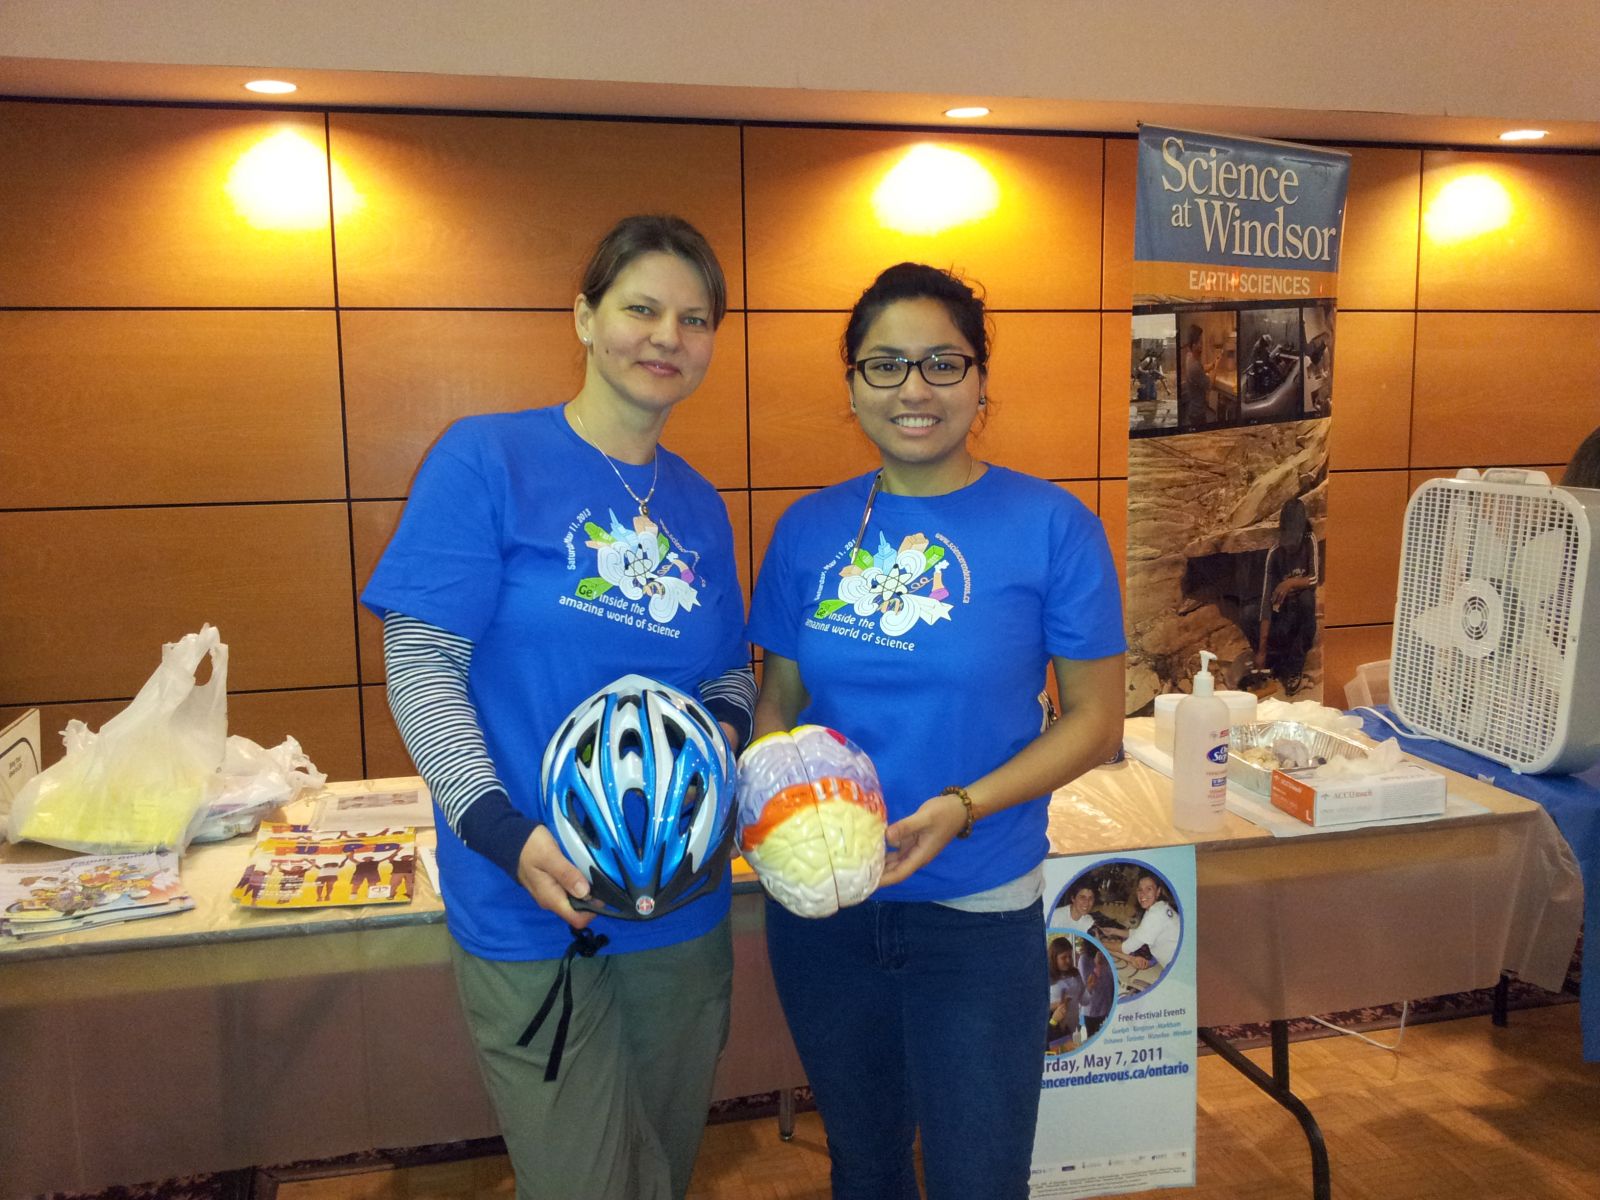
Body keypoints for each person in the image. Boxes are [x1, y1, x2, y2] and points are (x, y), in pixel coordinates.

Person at [361, 215, 755, 1200]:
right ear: (583, 317)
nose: (667, 335)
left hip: (681, 905)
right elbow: (420, 663)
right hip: (529, 899)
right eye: (641, 308)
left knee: (658, 1169)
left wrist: (712, 753)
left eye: (694, 318)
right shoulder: (485, 460)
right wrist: (499, 829)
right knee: (580, 1181)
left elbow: (727, 679)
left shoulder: (700, 506)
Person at [747, 262, 1126, 1200]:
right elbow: (776, 705)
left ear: (980, 379)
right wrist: (775, 809)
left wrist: (964, 806)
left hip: (978, 907)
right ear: (852, 385)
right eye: (885, 366)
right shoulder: (807, 531)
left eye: (941, 363)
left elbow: (1095, 721)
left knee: (980, 1178)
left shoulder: (1052, 527)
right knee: (865, 1169)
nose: (913, 389)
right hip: (828, 913)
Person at [1257, 496, 1320, 694]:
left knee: (1307, 600)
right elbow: (1266, 601)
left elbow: (1314, 578)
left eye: (1294, 542)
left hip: (1303, 609)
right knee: (1251, 615)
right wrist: (1261, 649)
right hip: (1284, 610)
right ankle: (1276, 665)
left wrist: (1290, 582)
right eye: (1287, 542)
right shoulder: (1275, 553)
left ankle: (1294, 670)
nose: (1290, 547)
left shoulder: (1310, 541)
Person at [1123, 871, 1181, 972]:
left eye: (1148, 889)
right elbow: (1140, 933)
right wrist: (1113, 931)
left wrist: (1099, 942)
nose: (1142, 894)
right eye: (1139, 890)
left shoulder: (1155, 914)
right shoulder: (1160, 906)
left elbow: (1127, 947)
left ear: (1158, 891)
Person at [1047, 937, 1085, 1047]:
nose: (1068, 960)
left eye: (1070, 956)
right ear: (1054, 958)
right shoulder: (1045, 977)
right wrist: (1055, 1006)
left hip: (1073, 1027)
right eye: (1063, 957)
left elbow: (1083, 999)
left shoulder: (1075, 973)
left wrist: (1090, 988)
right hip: (1054, 1031)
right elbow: (1035, 1008)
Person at [1177, 322, 1215, 429]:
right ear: (1193, 345)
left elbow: (1201, 367)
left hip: (1194, 410)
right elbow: (1210, 385)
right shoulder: (1194, 366)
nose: (1202, 345)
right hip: (1198, 414)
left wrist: (1212, 365)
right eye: (1200, 343)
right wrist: (1218, 365)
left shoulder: (1189, 356)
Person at [1078, 945, 1115, 1037]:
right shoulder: (1084, 959)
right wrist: (1097, 964)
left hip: (1109, 1009)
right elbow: (1087, 987)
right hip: (1093, 1011)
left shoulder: (1107, 955)